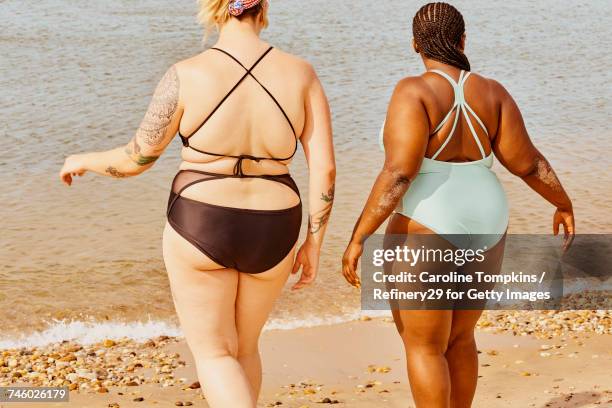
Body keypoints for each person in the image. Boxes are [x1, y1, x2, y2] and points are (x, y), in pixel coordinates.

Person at [60, 1, 335, 406]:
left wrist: (83, 160)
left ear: (215, 10)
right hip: (276, 223)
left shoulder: (185, 74)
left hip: (201, 219)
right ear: (263, 9)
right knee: (244, 349)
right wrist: (315, 241)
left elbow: (136, 159)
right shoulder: (301, 73)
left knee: (215, 355)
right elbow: (325, 170)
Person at [341, 2, 574, 408]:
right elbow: (529, 164)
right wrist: (563, 203)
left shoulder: (413, 91)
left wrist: (359, 236)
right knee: (461, 338)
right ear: (463, 41)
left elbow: (399, 173)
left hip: (430, 217)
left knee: (424, 346)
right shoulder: (493, 92)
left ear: (415, 45)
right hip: (487, 214)